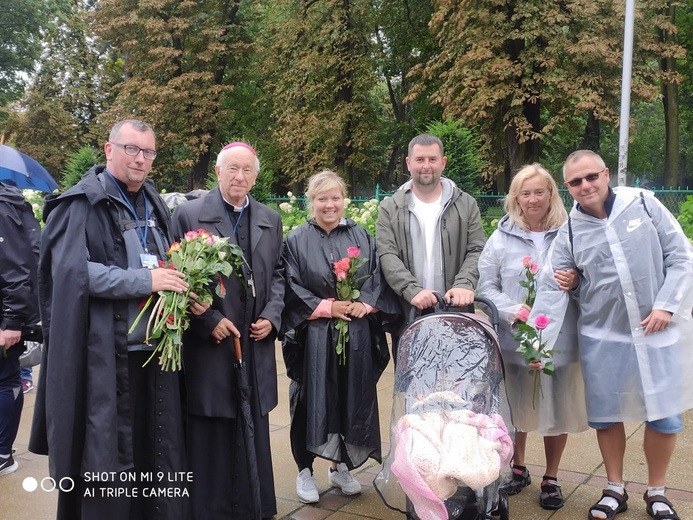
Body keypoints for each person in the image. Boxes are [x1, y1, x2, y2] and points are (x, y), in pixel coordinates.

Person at [29, 119, 192, 520]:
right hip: (102, 356)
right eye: (132, 149)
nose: (141, 159)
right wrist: (145, 280)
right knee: (104, 455)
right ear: (109, 150)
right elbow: (72, 273)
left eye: (148, 152)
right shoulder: (78, 204)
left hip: (153, 352)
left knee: (153, 450)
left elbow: (166, 257)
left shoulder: (153, 202)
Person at [532, 150, 693, 520]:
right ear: (567, 188)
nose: (585, 185)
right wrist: (568, 284)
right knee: (606, 415)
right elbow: (553, 283)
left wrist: (666, 305)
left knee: (664, 416)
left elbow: (681, 255)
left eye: (591, 176)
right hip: (603, 337)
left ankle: (657, 492)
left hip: (657, 332)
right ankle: (614, 488)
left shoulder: (644, 205)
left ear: (606, 173)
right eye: (575, 181)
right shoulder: (569, 231)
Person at [171, 141, 285, 519]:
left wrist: (272, 313)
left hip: (255, 343)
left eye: (247, 170)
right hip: (212, 347)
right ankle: (212, 510)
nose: (240, 177)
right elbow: (174, 275)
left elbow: (280, 274)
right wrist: (207, 320)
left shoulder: (270, 217)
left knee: (253, 423)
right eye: (232, 169)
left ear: (256, 174)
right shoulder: (189, 215)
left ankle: (254, 506)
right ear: (217, 171)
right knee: (213, 429)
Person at [281, 171, 397, 504]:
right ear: (311, 201)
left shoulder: (362, 235)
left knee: (350, 396)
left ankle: (340, 465)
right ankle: (305, 470)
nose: (329, 204)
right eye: (322, 198)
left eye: (335, 197)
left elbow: (377, 276)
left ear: (344, 198)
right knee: (309, 400)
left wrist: (365, 303)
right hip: (313, 335)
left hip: (356, 334)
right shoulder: (296, 240)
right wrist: (325, 306)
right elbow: (289, 284)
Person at [477, 163, 588, 510]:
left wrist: (578, 283)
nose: (533, 198)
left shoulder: (572, 233)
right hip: (515, 340)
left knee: (555, 405)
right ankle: (518, 466)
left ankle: (551, 476)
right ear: (516, 198)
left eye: (540, 191)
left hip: (560, 339)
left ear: (551, 193)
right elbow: (486, 286)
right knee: (517, 406)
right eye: (525, 193)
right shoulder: (501, 236)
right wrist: (513, 310)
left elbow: (594, 276)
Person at [375, 133, 486, 358]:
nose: (426, 166)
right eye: (420, 159)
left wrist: (465, 283)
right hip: (409, 315)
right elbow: (387, 254)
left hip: (456, 315)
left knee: (456, 388)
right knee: (413, 390)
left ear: (443, 162)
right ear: (408, 163)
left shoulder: (466, 204)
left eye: (432, 159)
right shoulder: (390, 208)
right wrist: (412, 290)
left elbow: (477, 249)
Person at [0, 181, 41, 477]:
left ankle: (2, 454)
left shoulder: (3, 207)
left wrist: (12, 321)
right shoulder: (10, 203)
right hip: (8, 312)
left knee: (6, 380)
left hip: (5, 317)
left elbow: (16, 268)